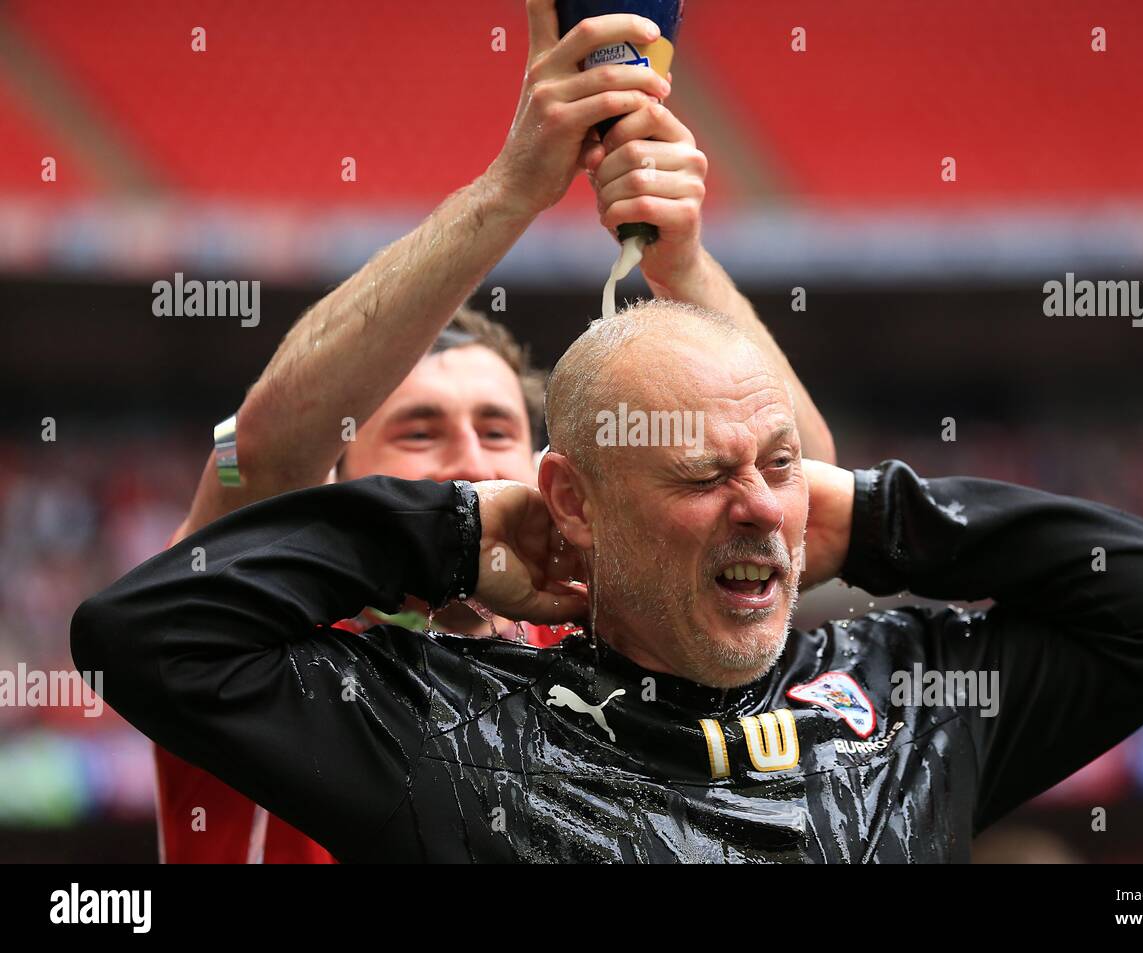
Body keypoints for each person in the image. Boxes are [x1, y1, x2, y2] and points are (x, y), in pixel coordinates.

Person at [73, 299, 1143, 862]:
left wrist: (877, 514)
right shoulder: (437, 724)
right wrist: (451, 530)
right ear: (570, 501)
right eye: (698, 475)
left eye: (778, 467)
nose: (757, 507)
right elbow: (151, 620)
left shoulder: (902, 707)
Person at [149, 2, 834, 862]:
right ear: (340, 485)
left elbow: (800, 470)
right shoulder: (256, 633)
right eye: (419, 431)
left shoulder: (594, 647)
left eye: (497, 428)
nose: (471, 458)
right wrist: (512, 190)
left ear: (555, 487)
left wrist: (682, 262)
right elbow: (259, 451)